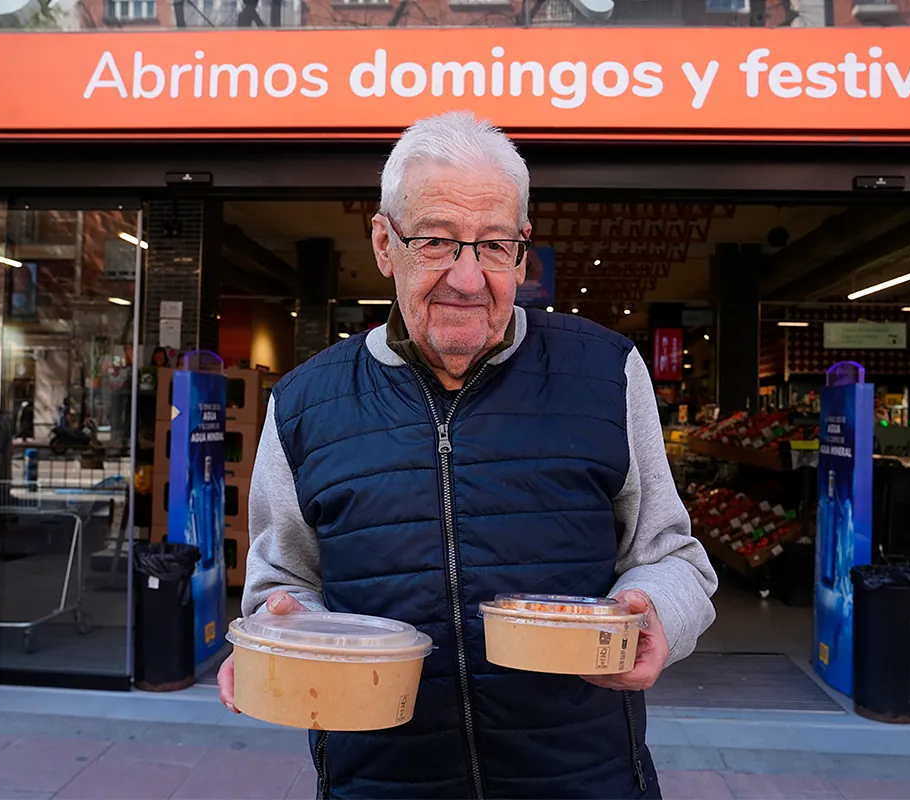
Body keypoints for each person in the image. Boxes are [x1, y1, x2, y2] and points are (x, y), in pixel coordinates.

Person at [217, 112, 717, 799]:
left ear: (523, 250)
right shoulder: (304, 403)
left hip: (584, 780)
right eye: (437, 241)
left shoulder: (607, 373)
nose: (468, 277)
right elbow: (282, 584)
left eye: (493, 245)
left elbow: (673, 558)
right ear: (384, 242)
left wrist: (657, 613)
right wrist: (284, 634)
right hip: (381, 785)